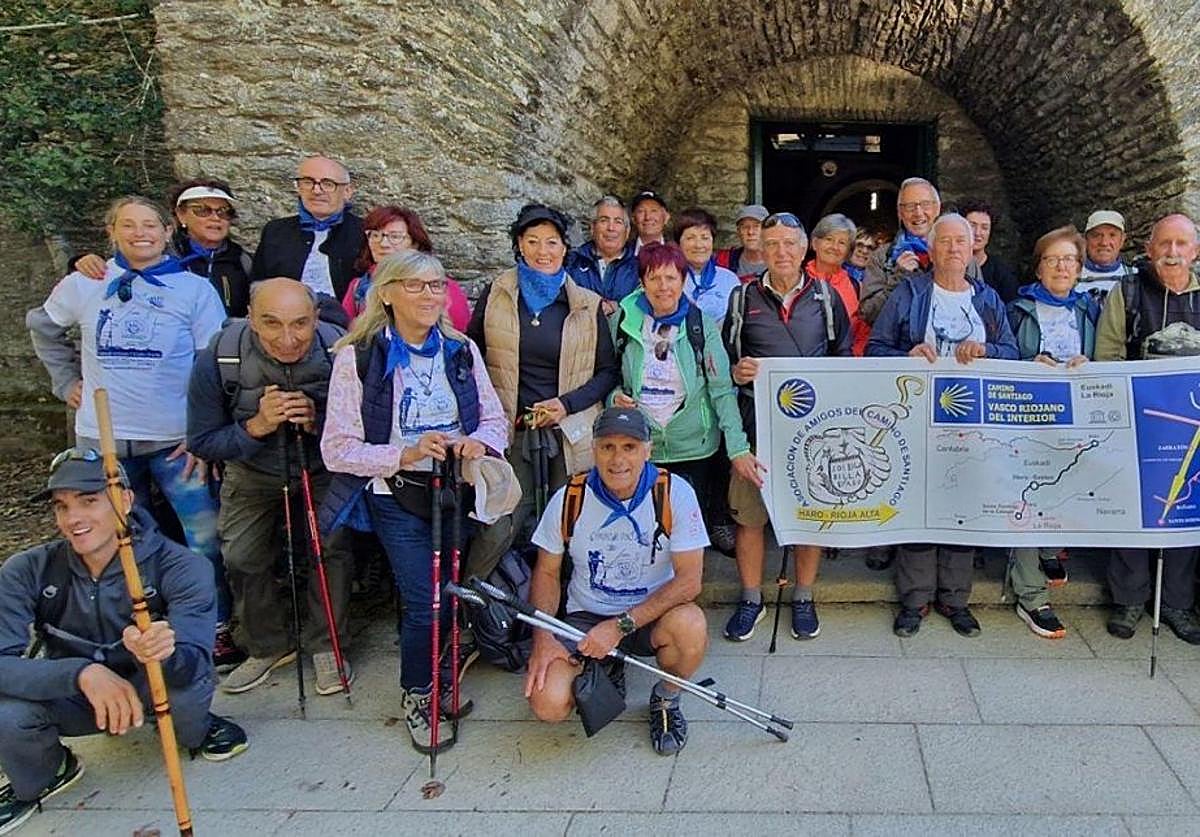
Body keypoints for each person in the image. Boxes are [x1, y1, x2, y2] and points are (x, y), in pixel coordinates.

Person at [26, 196, 234, 663]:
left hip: (175, 439)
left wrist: (202, 430)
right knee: (113, 536)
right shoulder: (87, 283)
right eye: (129, 225)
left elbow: (212, 365)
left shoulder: (193, 289)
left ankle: (211, 624)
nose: (141, 233)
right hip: (103, 439)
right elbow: (42, 327)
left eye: (150, 225)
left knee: (203, 536)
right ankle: (127, 626)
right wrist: (65, 382)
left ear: (166, 231)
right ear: (111, 231)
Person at [0, 449, 247, 834]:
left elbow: (196, 665)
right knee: (8, 713)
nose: (73, 518)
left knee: (185, 697)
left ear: (125, 500)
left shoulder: (182, 566)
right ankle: (51, 769)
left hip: (154, 687)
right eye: (62, 506)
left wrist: (161, 653)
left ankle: (198, 727)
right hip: (78, 697)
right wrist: (81, 673)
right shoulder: (27, 569)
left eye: (89, 501)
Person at [320, 251, 508, 752]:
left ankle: (441, 676)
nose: (429, 295)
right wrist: (402, 454)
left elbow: (494, 419)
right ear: (385, 292)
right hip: (397, 495)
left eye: (436, 286)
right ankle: (418, 693)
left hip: (453, 493)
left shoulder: (459, 348)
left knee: (446, 594)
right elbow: (336, 448)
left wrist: (480, 444)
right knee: (425, 603)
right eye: (415, 285)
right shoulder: (356, 358)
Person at [187, 278, 354, 695]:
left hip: (322, 465)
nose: (288, 338)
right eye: (272, 323)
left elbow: (363, 428)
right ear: (251, 319)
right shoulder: (219, 358)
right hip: (251, 468)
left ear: (316, 318)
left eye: (300, 324)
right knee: (242, 555)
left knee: (330, 549)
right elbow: (203, 441)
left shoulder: (341, 353)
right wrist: (256, 426)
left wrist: (319, 422)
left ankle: (326, 645)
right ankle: (265, 645)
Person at [524, 407, 709, 755]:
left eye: (629, 447)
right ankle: (607, 667)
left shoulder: (674, 493)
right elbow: (546, 572)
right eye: (608, 447)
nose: (618, 459)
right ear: (593, 449)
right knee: (547, 704)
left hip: (649, 614)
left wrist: (619, 627)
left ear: (647, 450)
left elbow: (690, 582)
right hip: (586, 615)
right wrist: (543, 637)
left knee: (691, 626)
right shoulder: (570, 498)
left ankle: (666, 699)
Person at [867, 213, 1018, 638]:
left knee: (960, 505)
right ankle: (915, 600)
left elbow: (1013, 351)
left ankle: (955, 599)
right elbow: (876, 348)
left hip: (970, 420)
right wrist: (908, 356)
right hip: (915, 416)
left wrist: (986, 349)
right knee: (917, 504)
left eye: (960, 242)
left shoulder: (987, 300)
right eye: (945, 242)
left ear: (972, 249)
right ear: (931, 250)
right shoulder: (910, 294)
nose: (953, 249)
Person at [721, 212, 853, 643]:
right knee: (749, 518)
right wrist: (738, 372)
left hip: (811, 431)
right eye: (772, 243)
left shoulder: (827, 298)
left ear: (804, 249)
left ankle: (803, 596)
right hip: (757, 426)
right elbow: (725, 362)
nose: (781, 252)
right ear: (761, 246)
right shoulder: (743, 299)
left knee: (810, 515)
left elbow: (844, 359)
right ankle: (750, 598)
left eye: (789, 244)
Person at [467, 203, 620, 565]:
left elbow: (606, 372)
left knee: (570, 523)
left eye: (551, 243)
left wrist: (565, 404)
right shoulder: (497, 295)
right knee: (500, 523)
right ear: (519, 245)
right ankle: (473, 610)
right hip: (511, 428)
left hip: (567, 432)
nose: (543, 251)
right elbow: (471, 358)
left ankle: (567, 605)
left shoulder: (586, 304)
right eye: (533, 241)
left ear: (564, 248)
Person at [611, 242, 763, 555]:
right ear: (642, 282)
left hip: (694, 444)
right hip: (643, 443)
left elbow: (721, 389)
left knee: (687, 531)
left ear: (682, 280)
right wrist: (615, 396)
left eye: (671, 278)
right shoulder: (623, 322)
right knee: (645, 531)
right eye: (654, 278)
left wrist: (737, 447)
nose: (663, 287)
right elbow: (607, 375)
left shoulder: (700, 325)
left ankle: (685, 594)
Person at [1094, 213, 1200, 644]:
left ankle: (1175, 601)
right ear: (1150, 248)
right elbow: (1108, 354)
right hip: (1139, 420)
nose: (1172, 253)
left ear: (1195, 251)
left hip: (1192, 428)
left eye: (1181, 245)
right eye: (1164, 245)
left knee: (1185, 510)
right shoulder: (1129, 292)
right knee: (1133, 510)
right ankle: (1129, 598)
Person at [1005, 226, 1100, 638]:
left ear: (1079, 268)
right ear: (1039, 267)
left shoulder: (1092, 310)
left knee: (1062, 485)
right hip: (1028, 414)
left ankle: (1047, 548)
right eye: (1052, 259)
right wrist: (1029, 363)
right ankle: (1030, 594)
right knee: (1028, 492)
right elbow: (1003, 353)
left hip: (1076, 415)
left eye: (1069, 260)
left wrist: (1090, 362)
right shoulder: (1019, 308)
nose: (1061, 266)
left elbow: (1110, 355)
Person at [72, 178, 254, 318]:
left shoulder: (242, 260)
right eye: (202, 210)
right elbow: (110, 268)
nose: (215, 218)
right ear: (180, 216)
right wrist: (80, 262)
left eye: (224, 211)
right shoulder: (156, 252)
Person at [250, 155, 364, 321]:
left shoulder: (364, 232)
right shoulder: (276, 231)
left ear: (347, 191)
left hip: (344, 325)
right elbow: (259, 284)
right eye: (308, 182)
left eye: (327, 184)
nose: (317, 191)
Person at [339, 205, 471, 330]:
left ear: (414, 244)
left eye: (395, 237)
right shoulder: (358, 287)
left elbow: (458, 331)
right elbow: (345, 331)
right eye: (375, 235)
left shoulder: (440, 287)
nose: (383, 243)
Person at [859, 177, 943, 325]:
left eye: (925, 205)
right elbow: (869, 314)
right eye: (910, 207)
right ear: (900, 213)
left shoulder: (957, 252)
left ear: (937, 209)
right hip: (898, 346)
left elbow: (977, 309)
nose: (918, 212)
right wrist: (899, 278)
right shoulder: (882, 256)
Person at [806, 213, 870, 356]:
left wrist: (852, 362)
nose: (834, 247)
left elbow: (862, 333)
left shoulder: (857, 287)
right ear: (815, 243)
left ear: (848, 251)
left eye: (842, 243)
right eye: (829, 239)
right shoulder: (798, 280)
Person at [566, 195, 640, 314]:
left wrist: (618, 307)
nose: (611, 228)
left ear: (627, 231)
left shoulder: (639, 267)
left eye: (618, 222)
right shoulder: (572, 262)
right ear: (592, 228)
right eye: (604, 220)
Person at [673, 207, 741, 324]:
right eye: (690, 238)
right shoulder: (669, 278)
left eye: (704, 238)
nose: (699, 245)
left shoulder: (729, 280)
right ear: (678, 243)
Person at [960, 199, 1019, 304]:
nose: (978, 233)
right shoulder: (947, 265)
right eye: (972, 225)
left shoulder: (1002, 273)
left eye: (984, 227)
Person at [1078, 209, 1134, 302]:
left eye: (1112, 235)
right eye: (1096, 235)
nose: (1104, 243)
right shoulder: (1068, 275)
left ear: (1122, 239)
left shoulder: (1136, 277)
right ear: (1085, 239)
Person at [716, 204, 769, 281]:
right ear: (738, 232)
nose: (750, 232)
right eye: (745, 227)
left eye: (756, 226)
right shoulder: (724, 261)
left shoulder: (780, 260)